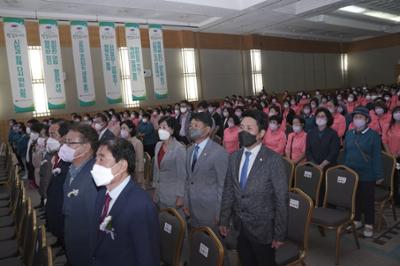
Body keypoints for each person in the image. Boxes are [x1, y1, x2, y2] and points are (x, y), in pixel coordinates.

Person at [219, 110, 288, 266]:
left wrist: (280, 233)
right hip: (240, 226)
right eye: (242, 127)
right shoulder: (234, 157)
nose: (244, 132)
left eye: (249, 129)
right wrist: (224, 218)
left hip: (263, 229)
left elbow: (281, 199)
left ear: (261, 133)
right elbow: (228, 189)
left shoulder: (273, 160)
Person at [91, 138, 160, 266]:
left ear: (122, 165)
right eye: (96, 159)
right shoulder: (102, 194)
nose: (95, 165)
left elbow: (147, 256)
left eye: (101, 159)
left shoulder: (140, 206)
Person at [62, 124, 99, 266]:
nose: (65, 147)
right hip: (73, 239)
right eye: (65, 142)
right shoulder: (72, 168)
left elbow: (98, 220)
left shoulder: (95, 176)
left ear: (87, 147)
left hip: (88, 247)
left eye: (71, 143)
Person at [342, 107, 382, 237]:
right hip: (351, 172)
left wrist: (379, 174)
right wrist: (344, 169)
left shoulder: (373, 135)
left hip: (367, 173)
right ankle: (357, 220)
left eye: (360, 117)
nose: (357, 120)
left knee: (367, 199)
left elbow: (377, 156)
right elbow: (346, 152)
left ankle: (369, 223)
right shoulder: (349, 134)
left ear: (366, 119)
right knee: (354, 198)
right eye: (355, 117)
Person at [184, 112, 229, 229]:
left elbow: (223, 186)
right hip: (193, 208)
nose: (191, 128)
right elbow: (188, 179)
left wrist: (220, 213)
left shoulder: (219, 152)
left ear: (207, 129)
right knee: (197, 243)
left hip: (210, 210)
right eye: (190, 125)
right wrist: (186, 202)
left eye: (196, 125)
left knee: (212, 244)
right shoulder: (189, 150)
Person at [152, 116, 187, 209]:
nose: (160, 130)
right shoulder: (158, 145)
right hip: (159, 192)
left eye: (164, 127)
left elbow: (182, 175)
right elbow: (156, 169)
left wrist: (180, 196)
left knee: (173, 222)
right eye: (159, 127)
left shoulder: (179, 149)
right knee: (162, 220)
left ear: (172, 130)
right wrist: (155, 188)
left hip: (172, 194)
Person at [45, 121, 71, 246]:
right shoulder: (57, 154)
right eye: (49, 135)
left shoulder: (68, 156)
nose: (50, 139)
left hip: (63, 200)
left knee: (65, 229)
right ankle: (60, 241)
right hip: (55, 197)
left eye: (53, 135)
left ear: (64, 136)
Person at [383, 106, 400, 205]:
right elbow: (384, 140)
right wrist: (389, 154)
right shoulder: (387, 125)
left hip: (399, 156)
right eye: (396, 112)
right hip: (390, 155)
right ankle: (392, 198)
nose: (398, 114)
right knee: (392, 177)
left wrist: (398, 154)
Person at [120, 120, 145, 185]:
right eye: (121, 128)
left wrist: (140, 175)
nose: (122, 130)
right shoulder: (121, 142)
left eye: (124, 128)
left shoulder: (137, 142)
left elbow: (140, 160)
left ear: (130, 129)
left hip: (135, 172)